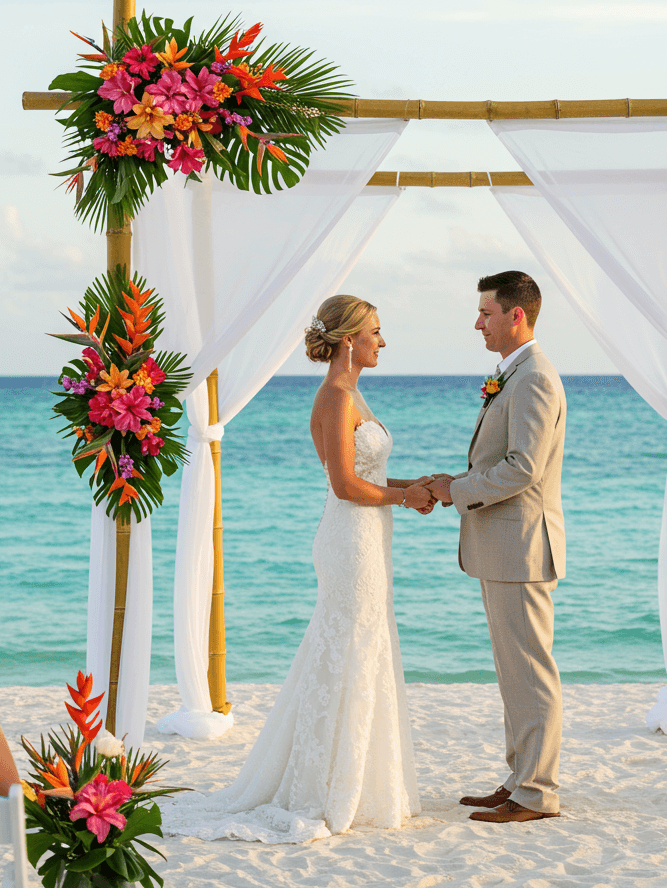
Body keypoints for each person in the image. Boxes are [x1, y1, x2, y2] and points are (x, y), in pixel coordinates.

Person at [163, 296, 432, 843]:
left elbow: (368, 473)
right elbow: (343, 485)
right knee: (347, 646)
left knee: (365, 645)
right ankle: (326, 784)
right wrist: (404, 499)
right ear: (350, 338)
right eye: (376, 332)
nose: (383, 342)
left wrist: (417, 486)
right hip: (350, 538)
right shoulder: (335, 396)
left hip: (368, 534)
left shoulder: (354, 393)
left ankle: (358, 778)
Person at [428, 271, 566, 824]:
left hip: (523, 547)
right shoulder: (514, 374)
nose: (477, 323)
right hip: (504, 547)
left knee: (531, 673)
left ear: (517, 315)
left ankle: (536, 793)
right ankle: (520, 780)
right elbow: (500, 461)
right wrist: (454, 480)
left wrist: (457, 491)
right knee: (515, 672)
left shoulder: (533, 377)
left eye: (485, 312)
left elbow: (523, 470)